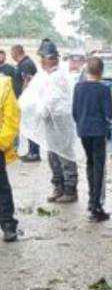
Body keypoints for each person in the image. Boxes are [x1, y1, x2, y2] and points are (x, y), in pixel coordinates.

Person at [18, 40, 79, 203]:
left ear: (51, 59)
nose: (41, 62)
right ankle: (58, 186)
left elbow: (52, 100)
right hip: (50, 123)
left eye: (43, 59)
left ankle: (70, 189)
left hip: (62, 122)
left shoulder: (59, 76)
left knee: (65, 155)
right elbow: (34, 93)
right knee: (53, 155)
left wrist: (40, 111)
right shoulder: (45, 75)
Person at [72, 57, 112, 222]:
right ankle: (96, 205)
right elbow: (109, 113)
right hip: (98, 131)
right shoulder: (103, 89)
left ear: (87, 71)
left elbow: (75, 111)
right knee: (99, 166)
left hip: (83, 130)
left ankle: (92, 200)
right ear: (101, 71)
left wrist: (81, 123)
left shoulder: (78, 87)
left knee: (90, 164)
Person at [10, 45, 40, 162]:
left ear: (16, 53)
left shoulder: (26, 64)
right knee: (28, 126)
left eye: (12, 53)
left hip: (28, 101)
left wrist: (23, 97)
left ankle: (34, 153)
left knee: (31, 126)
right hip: (26, 100)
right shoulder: (22, 64)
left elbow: (27, 81)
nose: (11, 56)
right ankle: (31, 151)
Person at [0, 74, 20, 242]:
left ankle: (7, 225)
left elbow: (11, 117)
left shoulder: (3, 85)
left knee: (1, 188)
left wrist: (1, 143)